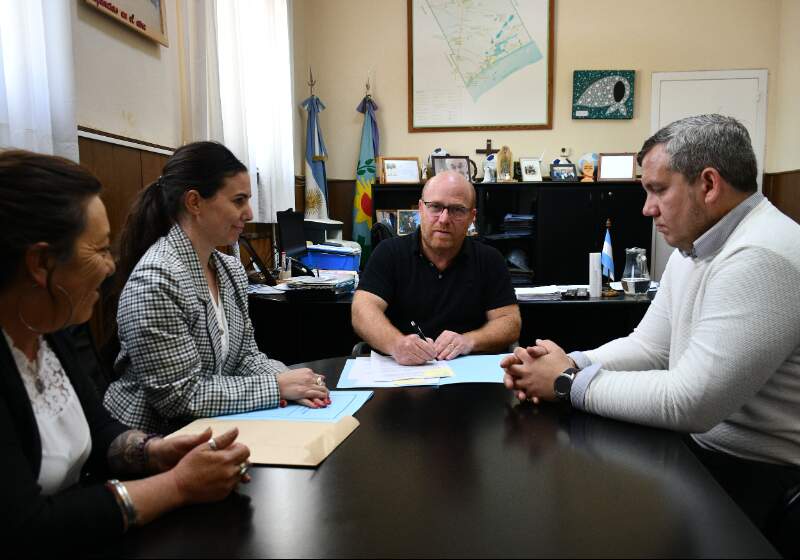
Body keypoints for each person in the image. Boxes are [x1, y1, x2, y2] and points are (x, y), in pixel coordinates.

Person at [502, 114, 800, 535]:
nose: (646, 208)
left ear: (709, 185)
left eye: (658, 190)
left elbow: (691, 402)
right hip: (707, 457)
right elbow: (650, 348)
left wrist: (567, 382)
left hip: (762, 481)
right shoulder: (696, 248)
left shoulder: (760, 255)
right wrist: (572, 360)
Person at [0, 150, 252, 553]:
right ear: (41, 263)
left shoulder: (51, 334)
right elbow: (25, 527)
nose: (110, 266)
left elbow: (100, 431)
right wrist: (176, 484)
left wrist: (152, 451)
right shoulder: (155, 277)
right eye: (98, 250)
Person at [104, 142, 329, 433]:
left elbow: (245, 357)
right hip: (151, 442)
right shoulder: (157, 279)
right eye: (238, 201)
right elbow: (179, 397)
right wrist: (276, 385)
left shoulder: (229, 269)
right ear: (194, 202)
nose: (249, 213)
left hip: (209, 428)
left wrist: (298, 381)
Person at [353, 171, 521, 365]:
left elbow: (509, 322)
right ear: (420, 209)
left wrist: (469, 341)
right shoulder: (388, 253)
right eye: (435, 207)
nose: (444, 219)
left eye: (457, 210)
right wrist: (396, 344)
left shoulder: (490, 259)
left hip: (469, 374)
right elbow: (362, 310)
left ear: (471, 217)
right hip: (401, 373)